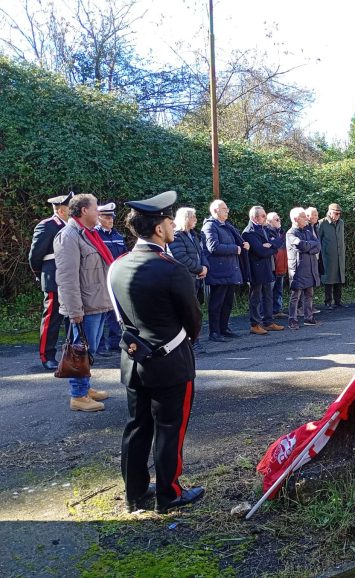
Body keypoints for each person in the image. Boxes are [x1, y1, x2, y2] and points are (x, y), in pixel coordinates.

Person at [107, 190, 204, 514]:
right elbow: (192, 320)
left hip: (134, 361)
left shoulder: (118, 266)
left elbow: (122, 314)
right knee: (169, 429)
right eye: (168, 219)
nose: (173, 225)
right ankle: (169, 494)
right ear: (160, 228)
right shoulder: (172, 269)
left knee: (137, 428)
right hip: (170, 363)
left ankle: (135, 493)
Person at [53, 193, 111, 412]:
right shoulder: (69, 236)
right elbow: (67, 278)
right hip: (84, 306)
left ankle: (84, 388)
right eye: (96, 208)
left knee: (89, 349)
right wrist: (74, 310)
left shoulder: (86, 233)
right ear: (84, 210)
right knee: (80, 350)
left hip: (95, 302)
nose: (99, 212)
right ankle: (77, 395)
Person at [28, 191, 73, 371]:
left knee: (72, 318)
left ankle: (71, 354)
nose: (73, 211)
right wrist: (43, 274)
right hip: (53, 277)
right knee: (52, 319)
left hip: (70, 279)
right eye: (70, 208)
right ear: (62, 210)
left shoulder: (72, 227)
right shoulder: (47, 225)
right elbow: (35, 256)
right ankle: (47, 356)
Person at [201, 200, 249, 342]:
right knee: (217, 302)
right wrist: (235, 249)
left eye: (227, 208)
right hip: (219, 271)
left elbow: (235, 240)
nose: (227, 211)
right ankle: (214, 332)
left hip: (230, 269)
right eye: (224, 208)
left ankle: (224, 328)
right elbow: (213, 247)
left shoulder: (226, 225)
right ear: (215, 211)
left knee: (228, 301)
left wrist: (242, 244)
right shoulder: (210, 226)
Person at [168, 207, 208, 354]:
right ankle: (190, 342)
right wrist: (199, 269)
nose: (196, 219)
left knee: (195, 310)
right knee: (187, 311)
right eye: (193, 217)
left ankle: (194, 340)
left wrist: (205, 267)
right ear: (185, 218)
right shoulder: (177, 236)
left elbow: (201, 253)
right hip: (186, 278)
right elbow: (181, 258)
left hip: (196, 278)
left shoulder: (193, 235)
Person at [242, 205, 285, 335]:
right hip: (256, 269)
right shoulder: (248, 232)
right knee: (255, 297)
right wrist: (271, 247)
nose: (265, 218)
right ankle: (254, 324)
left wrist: (270, 245)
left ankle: (268, 322)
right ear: (255, 217)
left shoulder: (264, 228)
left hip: (267, 267)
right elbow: (260, 251)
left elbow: (279, 241)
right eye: (263, 216)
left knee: (268, 295)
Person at [96, 202, 129, 356]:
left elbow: (124, 255)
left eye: (112, 217)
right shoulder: (94, 235)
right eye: (107, 217)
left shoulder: (117, 235)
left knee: (115, 311)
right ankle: (100, 345)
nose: (111, 220)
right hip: (100, 279)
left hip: (115, 278)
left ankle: (115, 343)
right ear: (98, 217)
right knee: (101, 312)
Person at [287, 207, 321, 329]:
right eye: (303, 216)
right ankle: (292, 319)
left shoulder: (307, 232)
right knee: (295, 295)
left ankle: (308, 317)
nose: (306, 218)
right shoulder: (291, 233)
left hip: (310, 268)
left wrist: (308, 247)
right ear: (296, 219)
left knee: (309, 294)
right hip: (298, 269)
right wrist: (309, 246)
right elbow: (300, 245)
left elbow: (318, 245)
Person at [318, 203, 346, 309]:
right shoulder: (322, 223)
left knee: (339, 277)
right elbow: (318, 240)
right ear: (330, 212)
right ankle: (328, 302)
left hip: (339, 255)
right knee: (329, 279)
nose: (338, 215)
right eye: (336, 213)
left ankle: (338, 301)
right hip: (327, 256)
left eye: (339, 213)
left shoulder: (341, 223)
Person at [267, 212, 289, 318]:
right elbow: (276, 244)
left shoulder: (282, 232)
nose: (279, 221)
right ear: (269, 222)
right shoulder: (267, 232)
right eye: (276, 220)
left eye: (279, 219)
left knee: (279, 290)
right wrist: (276, 242)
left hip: (282, 264)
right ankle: (266, 312)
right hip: (272, 265)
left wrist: (276, 242)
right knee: (269, 291)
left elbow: (278, 244)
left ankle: (277, 310)